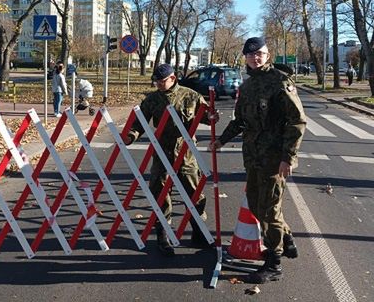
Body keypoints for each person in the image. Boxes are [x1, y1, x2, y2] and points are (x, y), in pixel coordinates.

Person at [209, 37, 306, 284]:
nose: (256, 58)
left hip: (274, 159)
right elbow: (240, 120)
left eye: (260, 54)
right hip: (252, 157)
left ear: (268, 55)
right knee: (255, 206)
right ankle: (286, 238)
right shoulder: (249, 86)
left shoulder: (280, 82)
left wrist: (288, 158)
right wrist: (222, 140)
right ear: (246, 58)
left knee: (269, 210)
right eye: (251, 55)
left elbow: (297, 121)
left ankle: (274, 264)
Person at [121, 63, 217, 257]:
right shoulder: (153, 99)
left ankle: (198, 232)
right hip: (161, 151)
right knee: (160, 192)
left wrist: (212, 116)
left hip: (185, 152)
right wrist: (131, 135)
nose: (158, 84)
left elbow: (206, 116)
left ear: (173, 78)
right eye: (155, 81)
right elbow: (139, 122)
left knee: (194, 192)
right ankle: (162, 234)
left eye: (161, 81)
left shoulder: (191, 96)